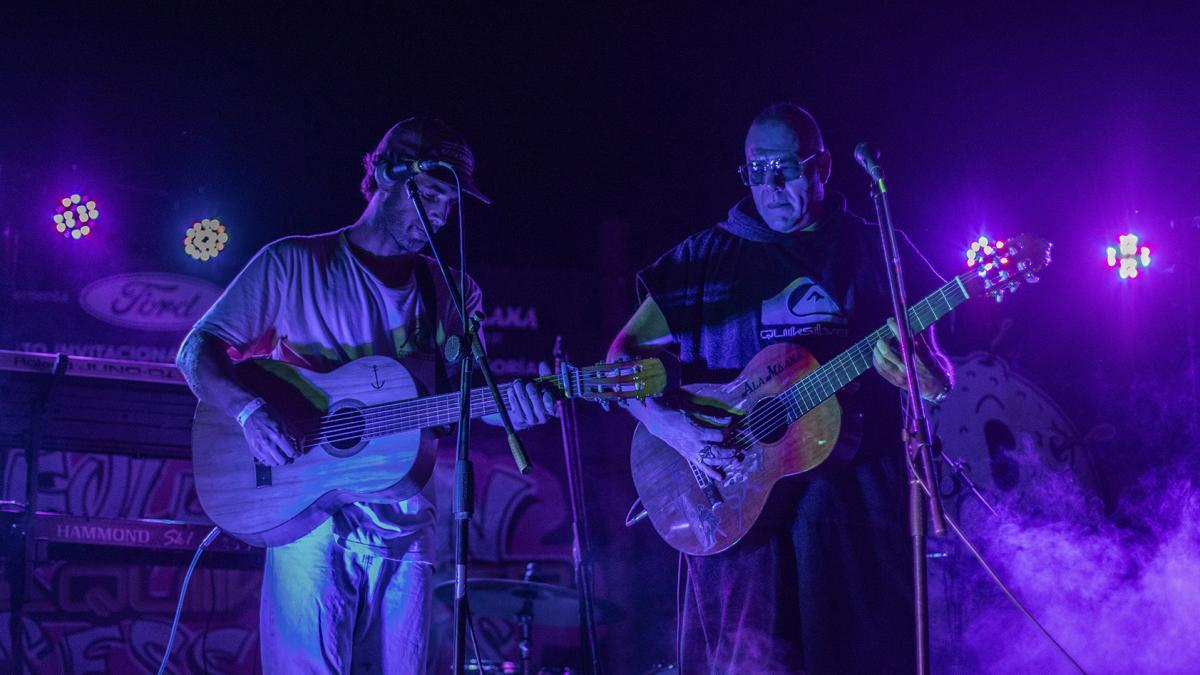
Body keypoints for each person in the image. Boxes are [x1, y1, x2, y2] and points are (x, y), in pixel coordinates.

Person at [176, 117, 555, 673]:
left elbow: (455, 402)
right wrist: (251, 412)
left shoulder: (453, 291)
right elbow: (197, 350)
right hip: (309, 515)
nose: (442, 216)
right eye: (429, 195)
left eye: (451, 204)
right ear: (383, 174)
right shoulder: (294, 264)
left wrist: (512, 403)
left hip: (406, 521)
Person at [608, 103, 954, 673]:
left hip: (853, 516)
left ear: (822, 166)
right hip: (737, 518)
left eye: (785, 168)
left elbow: (938, 374)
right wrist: (677, 429)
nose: (769, 185)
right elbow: (623, 356)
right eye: (755, 169)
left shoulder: (877, 247)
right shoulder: (706, 257)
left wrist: (924, 378)